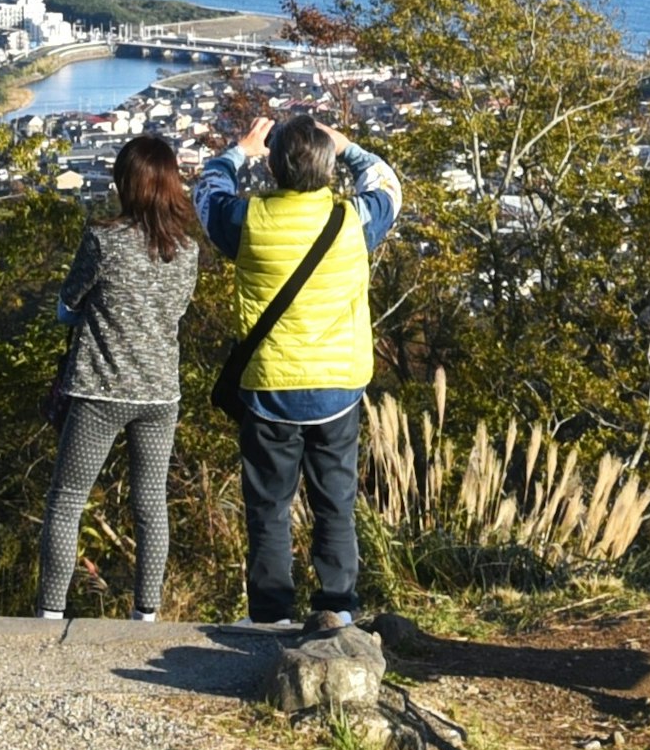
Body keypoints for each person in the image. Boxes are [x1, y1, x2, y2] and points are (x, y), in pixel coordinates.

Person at [193, 109, 403, 632]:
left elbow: (206, 191)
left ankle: (271, 615)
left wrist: (241, 151)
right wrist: (350, 146)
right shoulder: (353, 222)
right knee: (336, 501)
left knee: (269, 504)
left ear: (274, 171)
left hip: (269, 388)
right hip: (338, 386)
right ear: (328, 170)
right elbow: (390, 188)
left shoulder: (247, 223)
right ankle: (338, 607)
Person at [33, 133, 203, 624]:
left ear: (125, 183)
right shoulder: (187, 251)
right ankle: (145, 613)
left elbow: (69, 305)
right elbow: (177, 311)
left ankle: (51, 613)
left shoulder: (104, 240)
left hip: (100, 390)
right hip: (159, 393)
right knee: (151, 505)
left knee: (67, 503)